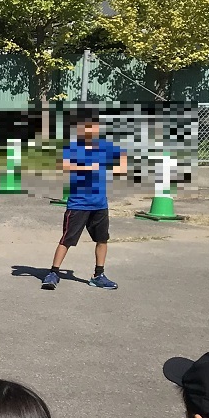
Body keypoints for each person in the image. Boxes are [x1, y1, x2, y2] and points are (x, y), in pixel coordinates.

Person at [43, 109, 127, 291]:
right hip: (78, 203)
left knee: (102, 239)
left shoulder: (105, 147)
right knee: (67, 239)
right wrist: (89, 165)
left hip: (99, 204)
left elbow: (122, 160)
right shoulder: (73, 147)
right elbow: (63, 166)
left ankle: (99, 275)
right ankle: (53, 273)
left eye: (93, 126)